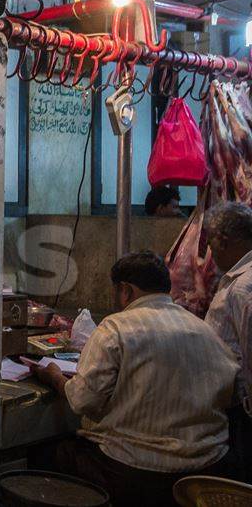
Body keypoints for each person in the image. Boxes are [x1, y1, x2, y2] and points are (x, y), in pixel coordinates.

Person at [31, 251, 238, 507]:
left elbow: (82, 401)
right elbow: (230, 391)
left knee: (45, 456)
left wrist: (54, 378)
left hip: (131, 470)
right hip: (205, 473)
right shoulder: (204, 329)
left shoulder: (115, 327)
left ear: (125, 290)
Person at [204, 202, 252, 482]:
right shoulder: (237, 280)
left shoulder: (245, 286)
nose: (209, 251)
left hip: (242, 412)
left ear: (222, 240)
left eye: (210, 243)